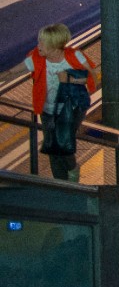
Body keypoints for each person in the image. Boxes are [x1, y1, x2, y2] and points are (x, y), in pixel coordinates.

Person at [25, 23, 96, 182]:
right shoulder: (37, 57)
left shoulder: (74, 56)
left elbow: (92, 77)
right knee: (52, 148)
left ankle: (72, 170)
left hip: (72, 108)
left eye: (42, 42)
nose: (38, 46)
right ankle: (61, 184)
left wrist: (68, 79)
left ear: (54, 45)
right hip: (48, 109)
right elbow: (15, 71)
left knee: (62, 143)